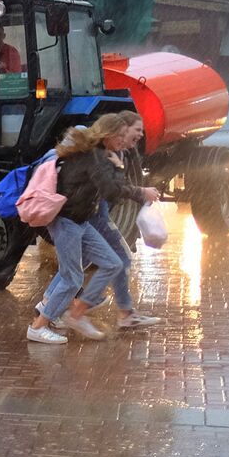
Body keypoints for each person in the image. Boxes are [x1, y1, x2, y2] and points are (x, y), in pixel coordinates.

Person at [26, 115, 160, 344]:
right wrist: (118, 168)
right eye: (119, 135)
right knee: (72, 277)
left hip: (81, 221)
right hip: (66, 220)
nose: (122, 140)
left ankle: (74, 311)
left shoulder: (98, 153)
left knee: (113, 263)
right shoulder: (94, 156)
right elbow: (110, 192)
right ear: (107, 135)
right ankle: (40, 326)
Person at [85, 113, 161, 330]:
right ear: (122, 128)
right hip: (94, 213)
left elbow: (117, 187)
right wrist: (139, 191)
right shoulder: (107, 154)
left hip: (93, 212)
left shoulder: (119, 150)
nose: (141, 134)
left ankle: (51, 308)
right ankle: (81, 307)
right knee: (119, 259)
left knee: (75, 267)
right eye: (137, 129)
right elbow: (111, 190)